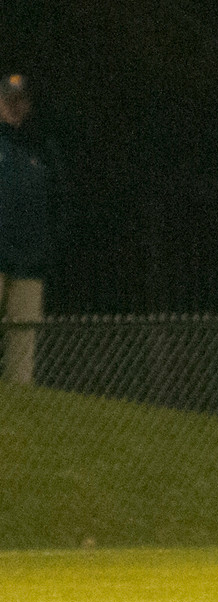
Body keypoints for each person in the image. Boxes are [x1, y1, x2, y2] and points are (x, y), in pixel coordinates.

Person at [0, 73, 64, 385]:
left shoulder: (40, 149)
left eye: (20, 101)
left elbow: (58, 204)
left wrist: (45, 250)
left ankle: (20, 398)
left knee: (23, 347)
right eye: (8, 100)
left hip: (30, 264)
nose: (15, 106)